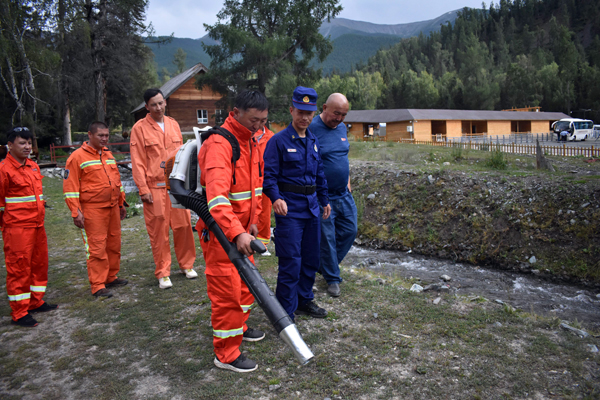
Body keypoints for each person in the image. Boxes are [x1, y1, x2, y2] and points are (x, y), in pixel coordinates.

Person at [198, 90, 268, 373]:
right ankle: (226, 354)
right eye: (254, 120)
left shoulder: (249, 140)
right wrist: (236, 233)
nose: (258, 127)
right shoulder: (220, 144)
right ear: (236, 112)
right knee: (226, 293)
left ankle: (239, 327)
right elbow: (217, 198)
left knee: (244, 287)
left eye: (263, 121)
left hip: (241, 232)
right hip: (222, 235)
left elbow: (251, 188)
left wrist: (252, 222)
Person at [263, 86, 331, 321]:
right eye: (300, 112)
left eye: (309, 113)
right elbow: (268, 177)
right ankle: (285, 312)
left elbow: (319, 172)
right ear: (291, 110)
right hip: (289, 209)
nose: (304, 117)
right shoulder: (278, 141)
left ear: (314, 114)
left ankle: (304, 300)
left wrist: (324, 199)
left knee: (311, 259)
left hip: (312, 207)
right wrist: (276, 198)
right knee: (291, 261)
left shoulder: (313, 140)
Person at [130, 88, 197, 289]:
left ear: (165, 102)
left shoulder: (174, 124)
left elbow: (184, 155)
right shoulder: (139, 128)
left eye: (161, 103)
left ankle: (187, 265)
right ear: (146, 107)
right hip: (155, 187)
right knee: (159, 231)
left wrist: (188, 184)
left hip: (176, 186)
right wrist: (143, 189)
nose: (158, 107)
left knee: (184, 227)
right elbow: (138, 161)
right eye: (153, 104)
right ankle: (163, 272)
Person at [63, 121, 128, 298]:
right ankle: (98, 284)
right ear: (90, 135)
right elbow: (70, 187)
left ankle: (111, 276)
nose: (104, 138)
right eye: (101, 135)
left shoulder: (108, 155)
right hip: (93, 210)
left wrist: (121, 203)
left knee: (114, 243)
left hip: (113, 207)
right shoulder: (77, 158)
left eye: (106, 135)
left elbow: (117, 182)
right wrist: (76, 211)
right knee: (97, 247)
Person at [0, 127, 57, 327]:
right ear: (10, 145)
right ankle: (19, 312)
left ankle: (35, 301)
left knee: (39, 265)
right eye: (22, 143)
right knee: (19, 268)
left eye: (29, 143)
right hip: (17, 229)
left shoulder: (32, 166)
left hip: (37, 226)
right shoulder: (4, 170)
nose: (27, 147)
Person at [309, 93, 357, 297]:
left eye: (344, 115)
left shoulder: (342, 128)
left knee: (350, 230)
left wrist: (347, 180)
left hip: (343, 194)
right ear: (324, 107)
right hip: (323, 196)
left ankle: (322, 265)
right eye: (336, 113)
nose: (339, 118)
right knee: (327, 238)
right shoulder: (310, 129)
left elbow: (343, 155)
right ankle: (332, 278)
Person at [255, 126, 275, 255]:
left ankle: (262, 244)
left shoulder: (271, 136)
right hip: (247, 180)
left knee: (265, 212)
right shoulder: (246, 133)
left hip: (265, 180)